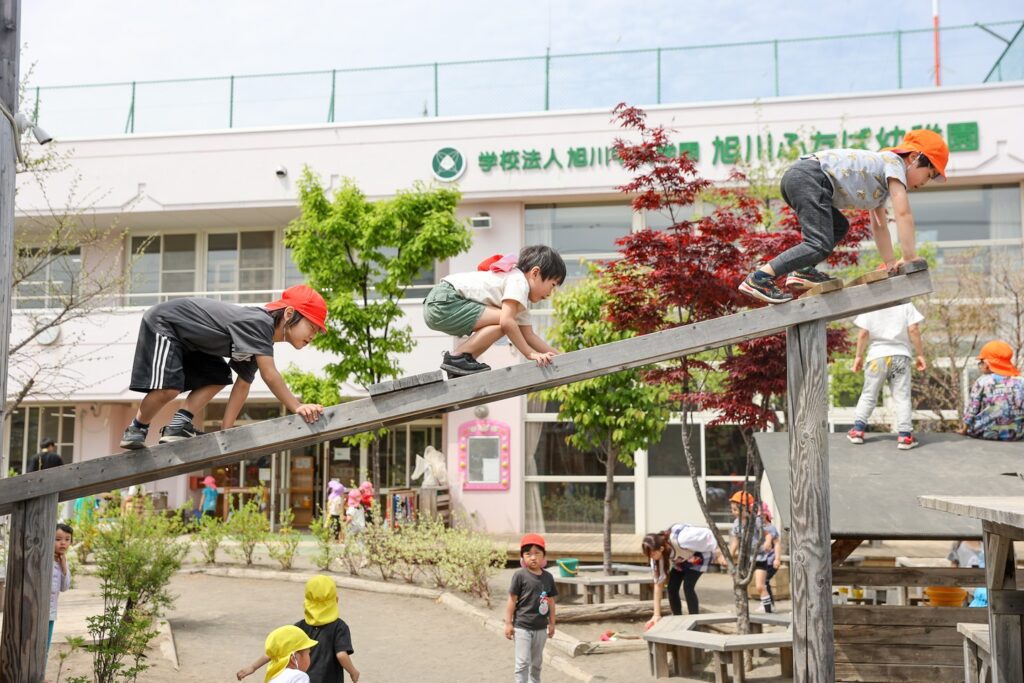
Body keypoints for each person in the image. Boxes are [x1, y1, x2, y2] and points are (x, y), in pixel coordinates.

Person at [738, 129, 948, 304]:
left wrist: (890, 262)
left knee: (839, 227)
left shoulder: (881, 184)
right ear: (913, 158)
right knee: (818, 244)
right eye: (928, 175)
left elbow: (879, 225)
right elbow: (903, 212)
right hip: (810, 176)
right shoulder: (894, 164)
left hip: (802, 178)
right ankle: (760, 278)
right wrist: (909, 256)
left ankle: (803, 271)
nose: (924, 183)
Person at [119, 284, 328, 450]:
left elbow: (242, 386)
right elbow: (270, 375)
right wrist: (297, 406)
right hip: (165, 323)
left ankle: (178, 425)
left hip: (192, 342)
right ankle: (136, 428)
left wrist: (225, 433)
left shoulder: (259, 342)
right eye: (311, 326)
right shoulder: (259, 323)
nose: (313, 335)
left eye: (317, 331)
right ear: (289, 314)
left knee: (218, 375)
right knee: (169, 388)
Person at [423, 245, 565, 376]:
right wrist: (530, 354)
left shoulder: (518, 302)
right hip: (444, 301)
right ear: (535, 273)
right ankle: (458, 358)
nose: (550, 293)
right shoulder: (518, 281)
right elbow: (506, 322)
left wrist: (562, 357)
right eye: (552, 285)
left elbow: (529, 336)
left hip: (442, 304)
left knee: (507, 321)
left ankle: (463, 362)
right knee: (507, 322)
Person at [237, 575, 359, 683]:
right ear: (336, 600)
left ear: (307, 602)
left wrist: (253, 667)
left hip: (302, 678)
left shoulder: (299, 627)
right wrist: (353, 672)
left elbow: (276, 649)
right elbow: (341, 655)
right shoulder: (340, 627)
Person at [846, 302, 927, 450]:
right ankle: (904, 436)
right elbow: (913, 329)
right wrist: (920, 354)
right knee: (901, 397)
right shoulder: (906, 304)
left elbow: (863, 333)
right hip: (900, 357)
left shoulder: (871, 305)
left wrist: (858, 356)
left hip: (877, 357)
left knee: (869, 394)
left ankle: (857, 431)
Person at [641, 522, 718, 627]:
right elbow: (658, 585)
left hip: (699, 555)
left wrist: (719, 552)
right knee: (672, 587)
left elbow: (708, 534)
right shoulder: (656, 557)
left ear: (661, 549)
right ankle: (677, 618)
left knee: (688, 587)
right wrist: (656, 615)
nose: (652, 557)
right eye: (649, 555)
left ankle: (694, 623)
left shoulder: (682, 538)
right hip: (681, 559)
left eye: (653, 554)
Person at [505, 533, 557, 683]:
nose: (533, 557)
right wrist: (508, 623)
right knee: (522, 663)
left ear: (543, 556)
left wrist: (552, 623)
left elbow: (551, 602)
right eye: (528, 554)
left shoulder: (548, 577)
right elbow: (512, 600)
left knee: (536, 664)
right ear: (522, 557)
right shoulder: (519, 575)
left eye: (537, 553)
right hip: (522, 627)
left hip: (541, 628)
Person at [959, 341, 1024, 441]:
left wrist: (964, 429)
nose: (980, 366)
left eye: (980, 362)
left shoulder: (982, 381)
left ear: (986, 364)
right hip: (1016, 434)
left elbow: (972, 409)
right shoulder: (1021, 381)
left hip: (985, 433)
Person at [726, 492, 774, 612]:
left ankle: (769, 610)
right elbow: (735, 542)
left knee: (760, 586)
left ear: (746, 508)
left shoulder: (756, 521)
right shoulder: (736, 524)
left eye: (736, 509)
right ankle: (742, 610)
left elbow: (768, 533)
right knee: (740, 585)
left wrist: (768, 542)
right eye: (732, 509)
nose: (733, 512)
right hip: (745, 560)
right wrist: (729, 556)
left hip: (759, 558)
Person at [49, 523, 73, 655]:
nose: (63, 543)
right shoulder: (46, 559)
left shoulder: (62, 560)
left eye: (67, 539)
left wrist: (64, 567)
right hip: (37, 610)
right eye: (58, 539)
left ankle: (41, 675)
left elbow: (64, 587)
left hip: (51, 611)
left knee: (45, 646)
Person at [761, 505, 783, 611]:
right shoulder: (758, 528)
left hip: (771, 561)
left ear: (766, 515)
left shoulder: (770, 528)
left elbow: (777, 544)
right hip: (762, 560)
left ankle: (770, 605)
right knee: (763, 582)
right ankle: (767, 603)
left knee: (764, 581)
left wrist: (777, 559)